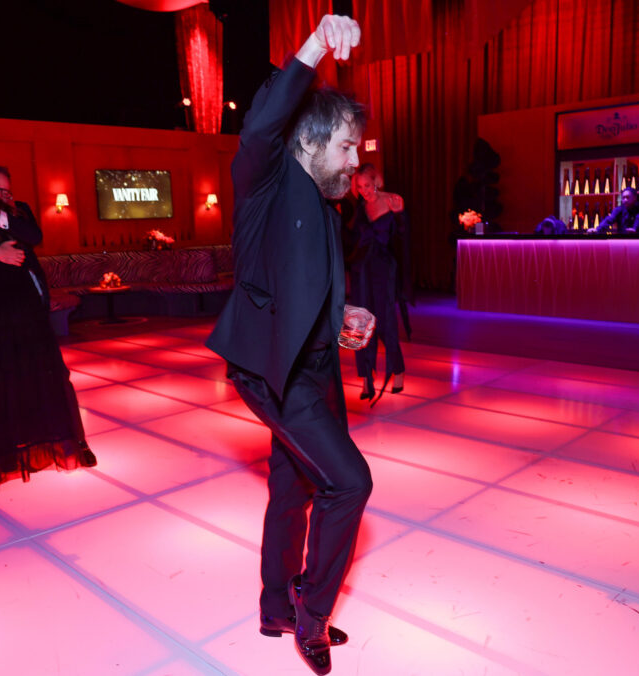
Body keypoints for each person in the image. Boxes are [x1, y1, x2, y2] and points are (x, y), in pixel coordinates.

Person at [205, 15, 373, 676]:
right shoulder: (267, 181)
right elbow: (259, 126)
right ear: (309, 141)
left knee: (293, 486)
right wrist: (313, 47)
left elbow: (317, 293)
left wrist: (350, 314)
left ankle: (275, 606)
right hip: (273, 373)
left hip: (315, 367)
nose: (357, 161)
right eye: (349, 147)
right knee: (350, 482)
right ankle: (312, 613)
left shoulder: (328, 209)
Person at [0, 167, 95, 494]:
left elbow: (34, 236)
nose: (4, 195)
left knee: (46, 375)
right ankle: (4, 457)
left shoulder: (15, 210)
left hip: (24, 305)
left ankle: (66, 445)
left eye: (7, 191)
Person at [348, 164, 411, 399]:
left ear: (377, 181)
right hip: (361, 269)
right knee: (357, 322)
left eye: (367, 185)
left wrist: (399, 214)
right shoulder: (358, 208)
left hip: (383, 268)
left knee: (385, 321)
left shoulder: (393, 201)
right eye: (360, 187)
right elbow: (352, 239)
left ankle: (398, 370)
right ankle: (365, 379)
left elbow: (403, 236)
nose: (364, 191)